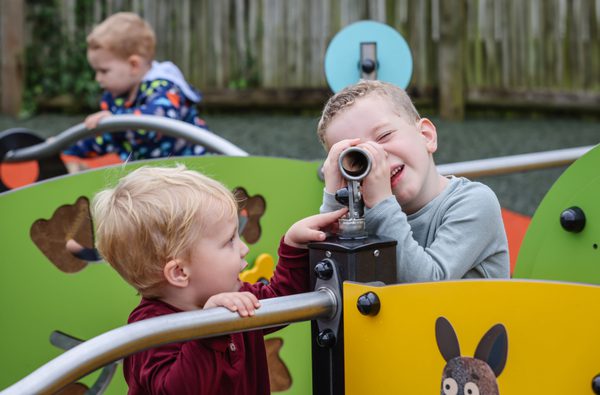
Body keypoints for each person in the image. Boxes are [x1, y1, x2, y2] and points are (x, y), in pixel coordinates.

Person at [91, 165, 346, 395]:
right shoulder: (150, 332)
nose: (244, 249)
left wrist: (294, 247)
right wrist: (210, 329)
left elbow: (282, 299)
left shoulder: (234, 300)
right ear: (180, 272)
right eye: (229, 241)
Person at [317, 80, 509, 282]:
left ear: (426, 136)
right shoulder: (360, 218)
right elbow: (330, 287)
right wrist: (333, 204)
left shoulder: (474, 202)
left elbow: (426, 287)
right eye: (357, 157)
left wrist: (382, 206)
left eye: (384, 136)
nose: (377, 158)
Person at [65, 12, 209, 161]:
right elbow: (105, 140)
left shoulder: (164, 89)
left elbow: (152, 124)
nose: (98, 78)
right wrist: (65, 146)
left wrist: (115, 121)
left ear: (133, 65)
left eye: (103, 71)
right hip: (154, 174)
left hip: (193, 171)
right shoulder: (117, 98)